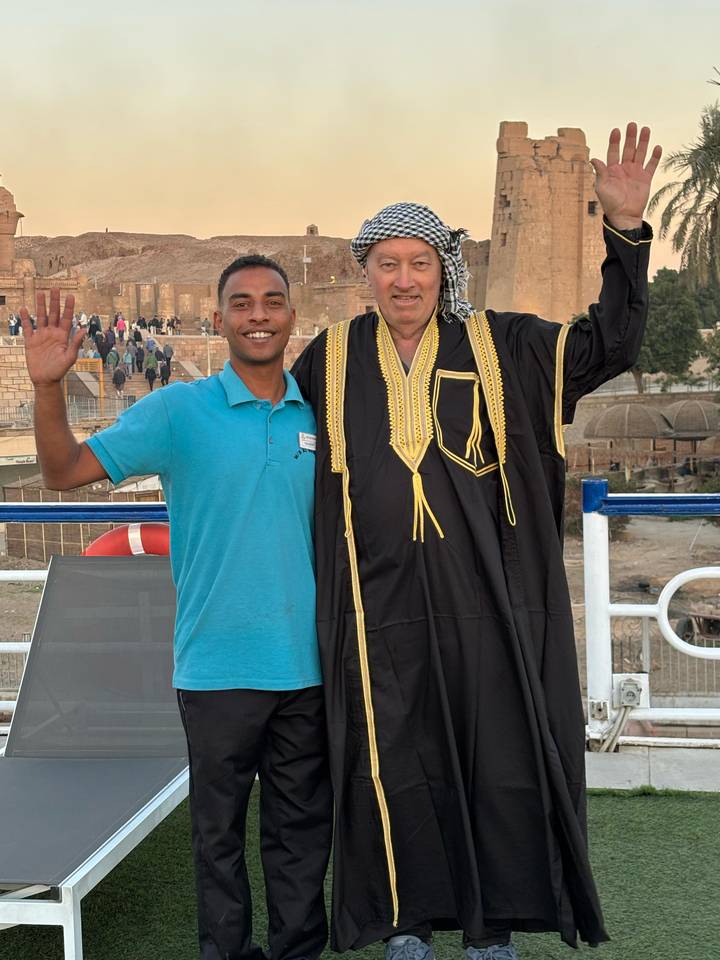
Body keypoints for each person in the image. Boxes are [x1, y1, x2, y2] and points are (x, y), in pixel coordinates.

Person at [291, 123, 661, 960]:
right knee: (392, 760)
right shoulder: (332, 357)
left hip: (487, 600)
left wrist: (626, 232)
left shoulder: (507, 344)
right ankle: (405, 922)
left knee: (497, 756)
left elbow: (609, 342)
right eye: (387, 263)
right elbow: (270, 444)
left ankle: (491, 924)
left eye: (420, 262)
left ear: (444, 269)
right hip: (376, 604)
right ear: (367, 275)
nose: (404, 278)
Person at [19, 253, 332, 960]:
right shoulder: (177, 411)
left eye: (272, 301)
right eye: (243, 303)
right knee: (217, 838)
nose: (258, 314)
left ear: (291, 316)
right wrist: (48, 389)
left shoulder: (322, 412)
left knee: (302, 835)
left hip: (308, 667)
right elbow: (63, 472)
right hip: (216, 666)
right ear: (219, 319)